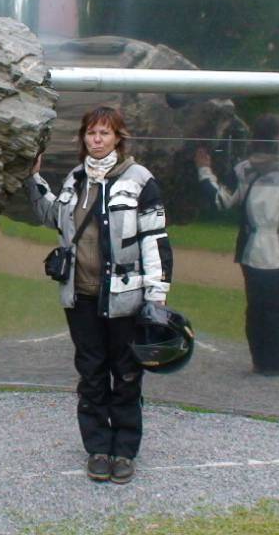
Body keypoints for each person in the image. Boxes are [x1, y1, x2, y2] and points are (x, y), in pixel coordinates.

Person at [28, 106, 173, 484]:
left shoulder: (140, 181)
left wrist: (156, 296)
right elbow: (53, 217)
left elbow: (155, 241)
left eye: (104, 133)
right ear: (83, 138)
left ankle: (124, 450)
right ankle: (97, 448)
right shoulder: (75, 179)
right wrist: (34, 178)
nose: (97, 139)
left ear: (118, 138)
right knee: (91, 374)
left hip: (126, 299)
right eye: (91, 133)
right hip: (81, 297)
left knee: (125, 374)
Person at [193, 113, 279, 376]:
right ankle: (274, 363)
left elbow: (220, 201)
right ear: (277, 138)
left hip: (251, 251)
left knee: (256, 308)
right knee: (277, 310)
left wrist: (204, 170)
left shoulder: (242, 170)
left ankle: (260, 360)